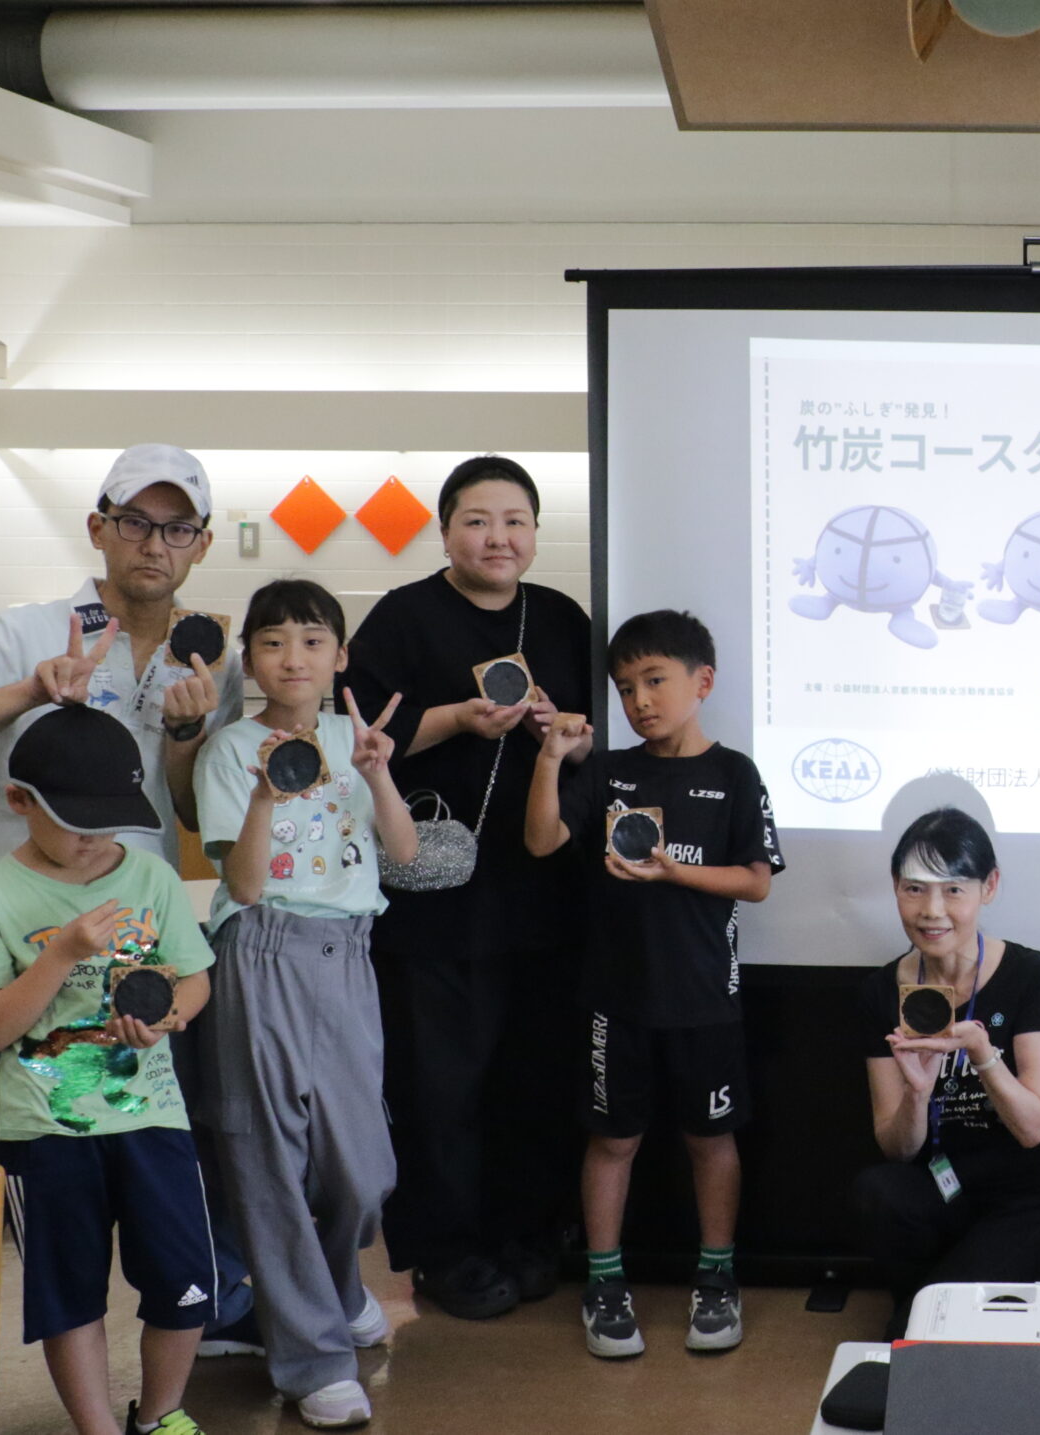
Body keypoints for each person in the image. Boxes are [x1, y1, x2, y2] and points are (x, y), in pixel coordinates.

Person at [0, 443, 253, 1418]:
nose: (153, 543)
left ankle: (167, 1382)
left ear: (201, 544)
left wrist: (189, 734)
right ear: (99, 527)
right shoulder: (29, 630)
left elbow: (191, 813)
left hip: (129, 971)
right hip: (3, 966)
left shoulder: (209, 659)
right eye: (134, 521)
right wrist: (30, 689)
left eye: (176, 527)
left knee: (142, 1186)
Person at [345, 455, 595, 1321]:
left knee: (531, 1075)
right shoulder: (403, 617)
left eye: (515, 520)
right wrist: (458, 717)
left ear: (536, 532)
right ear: (446, 529)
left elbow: (594, 737)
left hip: (541, 890)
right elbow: (362, 736)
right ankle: (446, 1252)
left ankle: (527, 1233)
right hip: (433, 897)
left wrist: (569, 734)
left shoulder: (560, 618)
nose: (498, 537)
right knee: (439, 1084)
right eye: (478, 520)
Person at [0, 706, 219, 1435]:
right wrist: (60, 952)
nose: (95, 840)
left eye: (109, 821)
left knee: (183, 1279)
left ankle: (161, 1415)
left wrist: (168, 1017)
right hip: (47, 1129)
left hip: (153, 1117)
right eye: (75, 822)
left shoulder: (151, 877)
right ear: (19, 800)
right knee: (69, 1293)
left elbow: (194, 979)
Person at [525, 609, 782, 1361]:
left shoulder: (734, 773)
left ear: (703, 682)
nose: (639, 699)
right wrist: (551, 759)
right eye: (625, 687)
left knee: (712, 1140)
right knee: (613, 1141)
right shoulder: (608, 771)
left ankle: (717, 1276)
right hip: (615, 998)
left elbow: (756, 881)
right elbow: (541, 841)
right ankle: (605, 1282)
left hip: (706, 1000)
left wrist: (672, 871)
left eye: (655, 680)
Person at [192, 581, 419, 1429]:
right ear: (250, 659)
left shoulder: (356, 739)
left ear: (341, 656)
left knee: (364, 1169)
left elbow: (403, 852)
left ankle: (334, 1282)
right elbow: (246, 884)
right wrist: (263, 792)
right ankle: (313, 1359)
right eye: (274, 642)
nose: (294, 658)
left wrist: (378, 772)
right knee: (270, 1166)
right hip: (263, 953)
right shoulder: (228, 749)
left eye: (314, 640)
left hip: (349, 955)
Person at [852, 808, 1040, 1338]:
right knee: (877, 1192)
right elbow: (897, 1149)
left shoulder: (1032, 976)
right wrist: (917, 1093)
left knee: (916, 1334)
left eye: (954, 890)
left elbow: (1034, 1127)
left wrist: (981, 1052)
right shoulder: (880, 993)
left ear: (989, 887)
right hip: (946, 1181)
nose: (932, 911)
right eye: (914, 889)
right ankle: (941, 1301)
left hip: (1034, 1189)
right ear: (895, 887)